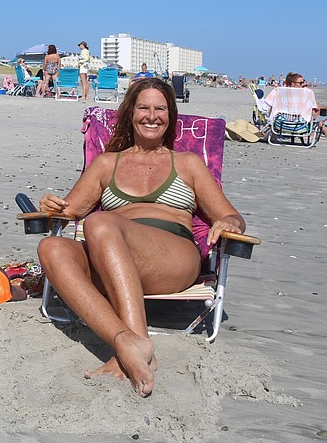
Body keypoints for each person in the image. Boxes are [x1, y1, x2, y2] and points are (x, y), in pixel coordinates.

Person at [36, 78, 245, 397]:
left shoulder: (187, 164)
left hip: (171, 257)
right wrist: (50, 205)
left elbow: (231, 217)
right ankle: (127, 342)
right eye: (143, 107)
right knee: (51, 246)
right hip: (113, 258)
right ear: (130, 113)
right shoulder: (106, 164)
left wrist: (228, 222)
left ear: (170, 115)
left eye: (160, 108)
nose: (152, 115)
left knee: (101, 224)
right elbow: (68, 211)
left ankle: (135, 344)